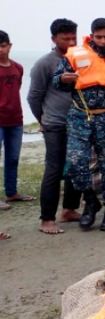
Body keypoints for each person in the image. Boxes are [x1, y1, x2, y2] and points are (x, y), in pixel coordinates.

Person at [53, 18, 105, 231]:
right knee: (75, 164)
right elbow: (56, 81)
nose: (102, 41)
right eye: (98, 37)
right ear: (91, 36)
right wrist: (63, 79)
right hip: (80, 117)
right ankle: (91, 201)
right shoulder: (74, 55)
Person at [27, 19, 83, 234]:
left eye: (73, 38)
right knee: (54, 168)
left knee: (76, 166)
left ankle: (69, 209)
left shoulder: (79, 61)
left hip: (77, 123)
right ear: (53, 39)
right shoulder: (44, 63)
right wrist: (43, 120)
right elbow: (34, 96)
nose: (70, 42)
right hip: (55, 124)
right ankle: (47, 219)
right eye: (65, 38)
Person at [0, 30, 35, 212]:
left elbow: (17, 88)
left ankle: (12, 192)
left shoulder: (18, 68)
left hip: (15, 119)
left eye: (3, 46)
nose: (0, 50)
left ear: (9, 46)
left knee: (13, 158)